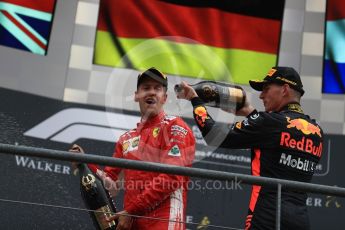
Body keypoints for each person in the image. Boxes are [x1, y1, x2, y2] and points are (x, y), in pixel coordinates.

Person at [176, 66, 323, 230]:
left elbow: (214, 134)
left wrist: (196, 101)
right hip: (300, 220)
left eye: (266, 89)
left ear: (285, 89)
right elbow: (273, 134)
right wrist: (249, 112)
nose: (261, 95)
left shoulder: (270, 122)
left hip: (265, 217)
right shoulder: (317, 131)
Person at [71, 67, 195, 230]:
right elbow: (110, 186)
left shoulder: (175, 126)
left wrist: (131, 210)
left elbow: (172, 177)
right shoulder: (126, 139)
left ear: (165, 98)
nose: (151, 92)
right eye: (145, 88)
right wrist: (85, 164)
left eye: (157, 88)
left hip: (164, 223)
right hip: (131, 224)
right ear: (136, 96)